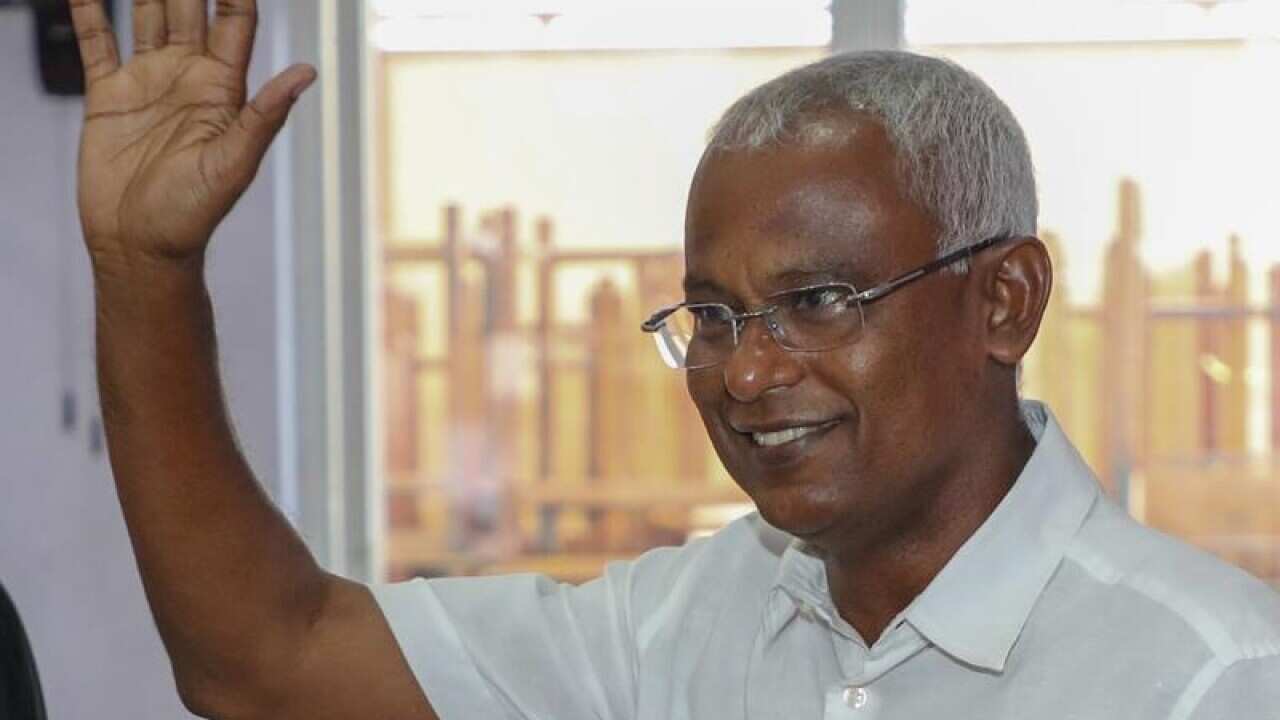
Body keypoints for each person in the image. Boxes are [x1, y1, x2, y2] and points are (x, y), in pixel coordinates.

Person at [68, 1, 1280, 718]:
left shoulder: (1208, 678)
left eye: (816, 299)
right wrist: (143, 274)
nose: (745, 375)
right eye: (711, 316)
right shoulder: (677, 629)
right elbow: (264, 664)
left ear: (1003, 302)